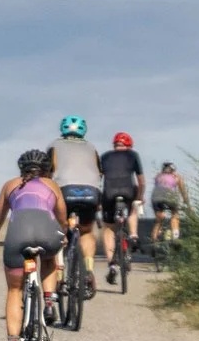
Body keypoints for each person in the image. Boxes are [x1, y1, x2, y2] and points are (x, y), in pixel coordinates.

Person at [0, 148, 67, 341]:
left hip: (17, 236)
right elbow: (62, 219)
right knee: (49, 259)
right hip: (47, 234)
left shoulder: (10, 185)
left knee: (14, 290)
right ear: (46, 169)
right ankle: (49, 300)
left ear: (21, 168)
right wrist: (64, 236)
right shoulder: (52, 186)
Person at [50, 116, 105, 294]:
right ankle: (88, 270)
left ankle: (60, 277)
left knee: (59, 231)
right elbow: (100, 172)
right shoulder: (92, 148)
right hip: (91, 191)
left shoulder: (55, 146)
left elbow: (48, 171)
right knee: (87, 231)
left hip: (65, 191)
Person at [97, 132, 144, 286]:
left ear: (114, 145)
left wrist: (99, 200)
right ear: (129, 145)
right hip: (128, 191)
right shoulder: (133, 155)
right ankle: (134, 235)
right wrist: (139, 197)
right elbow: (141, 181)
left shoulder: (104, 156)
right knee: (132, 210)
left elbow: (98, 178)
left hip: (109, 193)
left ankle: (112, 264)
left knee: (109, 228)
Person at [150, 162, 186, 243]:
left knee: (159, 219)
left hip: (156, 196)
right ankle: (175, 237)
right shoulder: (177, 177)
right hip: (169, 195)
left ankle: (154, 240)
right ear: (173, 170)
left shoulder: (158, 176)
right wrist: (186, 202)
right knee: (174, 214)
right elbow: (183, 191)